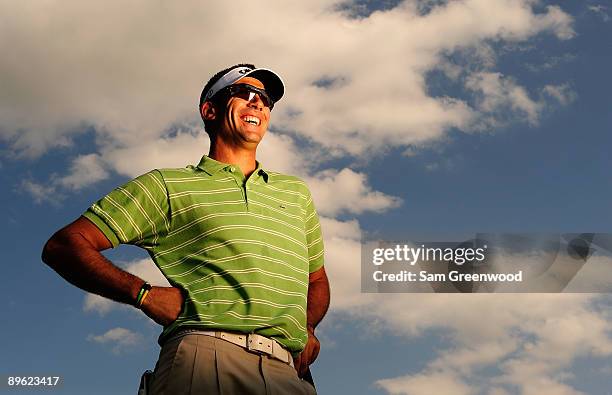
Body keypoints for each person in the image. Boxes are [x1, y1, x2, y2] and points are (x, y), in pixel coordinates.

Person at [42, 63, 330, 395]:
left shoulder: (295, 193)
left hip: (288, 372)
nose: (258, 103)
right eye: (244, 93)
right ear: (210, 110)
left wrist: (307, 326)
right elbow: (65, 245)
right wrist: (143, 294)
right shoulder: (168, 185)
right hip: (208, 356)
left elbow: (316, 279)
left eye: (265, 99)